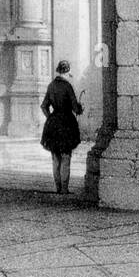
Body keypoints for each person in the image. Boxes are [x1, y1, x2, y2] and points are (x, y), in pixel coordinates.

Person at [40, 60, 83, 194]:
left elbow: (44, 106)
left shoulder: (51, 85)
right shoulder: (67, 86)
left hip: (53, 125)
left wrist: (51, 118)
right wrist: (80, 108)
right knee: (66, 157)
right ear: (67, 71)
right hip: (66, 124)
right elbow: (75, 108)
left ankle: (58, 188)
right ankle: (64, 189)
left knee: (55, 157)